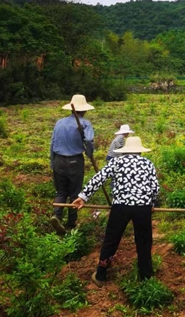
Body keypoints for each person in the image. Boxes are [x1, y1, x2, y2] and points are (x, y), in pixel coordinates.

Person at [71, 136, 159, 287]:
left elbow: (99, 178)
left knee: (111, 240)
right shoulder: (147, 164)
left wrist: (83, 196)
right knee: (144, 242)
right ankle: (146, 277)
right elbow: (155, 187)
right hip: (142, 207)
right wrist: (151, 203)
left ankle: (100, 276)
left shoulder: (116, 162)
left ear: (125, 150)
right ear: (139, 151)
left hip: (121, 206)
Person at [50, 94, 95, 235]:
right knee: (75, 193)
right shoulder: (85, 123)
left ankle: (57, 216)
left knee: (61, 191)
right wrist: (89, 151)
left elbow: (52, 143)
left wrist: (52, 162)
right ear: (85, 110)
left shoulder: (59, 123)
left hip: (58, 160)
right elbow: (89, 141)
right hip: (75, 161)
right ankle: (71, 223)